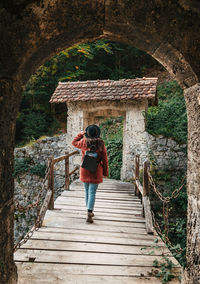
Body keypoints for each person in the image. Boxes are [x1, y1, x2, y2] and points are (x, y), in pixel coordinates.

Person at [72, 124, 109, 223]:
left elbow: (74, 142)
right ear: (97, 133)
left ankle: (88, 210)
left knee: (86, 191)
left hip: (85, 169)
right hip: (96, 170)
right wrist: (105, 172)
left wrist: (80, 134)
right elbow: (105, 159)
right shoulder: (101, 143)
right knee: (92, 192)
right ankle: (90, 211)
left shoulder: (84, 142)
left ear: (87, 133)